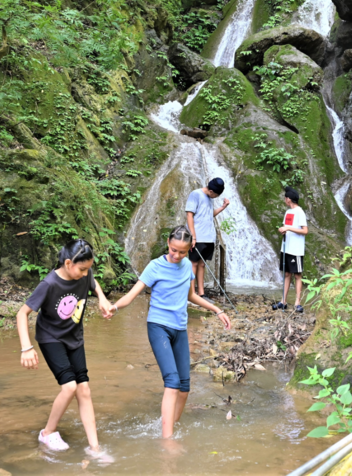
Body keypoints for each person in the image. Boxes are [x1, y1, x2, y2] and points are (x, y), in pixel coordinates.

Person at [108, 225, 232, 439]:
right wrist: (115, 307)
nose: (176, 255)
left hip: (180, 329)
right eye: (173, 250)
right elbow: (132, 294)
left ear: (189, 249)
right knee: (172, 381)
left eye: (182, 252)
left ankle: (169, 425)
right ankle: (168, 441)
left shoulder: (187, 268)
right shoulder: (155, 267)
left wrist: (217, 309)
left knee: (185, 386)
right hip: (158, 326)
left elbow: (191, 296)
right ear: (168, 243)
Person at [15, 239, 114, 461]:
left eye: (88, 269)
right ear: (68, 263)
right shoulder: (49, 284)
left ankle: (94, 448)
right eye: (82, 269)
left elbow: (93, 282)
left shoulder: (85, 274)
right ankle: (47, 433)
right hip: (51, 338)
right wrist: (26, 348)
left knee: (84, 389)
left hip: (74, 337)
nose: (86, 273)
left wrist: (102, 298)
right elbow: (22, 314)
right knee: (69, 387)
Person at [184, 178, 230, 298]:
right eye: (216, 195)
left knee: (202, 264)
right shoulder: (196, 194)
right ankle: (191, 293)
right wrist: (193, 236)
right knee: (193, 263)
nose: (216, 197)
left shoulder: (209, 198)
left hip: (208, 237)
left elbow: (209, 215)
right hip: (198, 237)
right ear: (211, 191)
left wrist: (223, 207)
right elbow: (189, 214)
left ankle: (201, 293)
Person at [272, 187, 308, 313]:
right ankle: (283, 301)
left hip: (296, 249)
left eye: (285, 198)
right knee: (286, 274)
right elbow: (286, 226)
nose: (284, 199)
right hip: (286, 248)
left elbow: (305, 230)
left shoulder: (300, 212)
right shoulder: (288, 212)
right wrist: (282, 230)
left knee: (297, 275)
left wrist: (288, 229)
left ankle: (298, 303)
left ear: (289, 199)